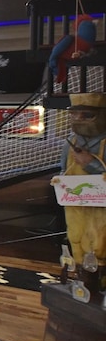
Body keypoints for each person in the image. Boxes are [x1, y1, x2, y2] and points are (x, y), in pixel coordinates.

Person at [60, 93, 106, 263]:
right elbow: (63, 169)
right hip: (75, 203)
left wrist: (90, 163)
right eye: (74, 114)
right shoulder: (71, 142)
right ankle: (80, 271)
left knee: (100, 243)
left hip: (101, 207)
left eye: (86, 115)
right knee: (76, 237)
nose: (78, 119)